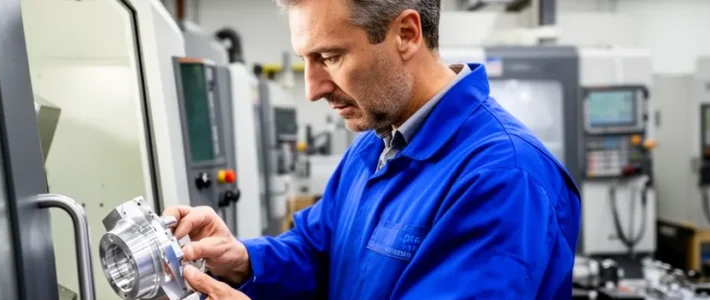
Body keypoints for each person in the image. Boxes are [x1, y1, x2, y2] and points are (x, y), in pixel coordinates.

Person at [168, 0, 582, 298]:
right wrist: (243, 260)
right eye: (306, 61)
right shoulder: (374, 147)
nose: (312, 89)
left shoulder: (503, 178)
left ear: (406, 34)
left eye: (329, 57)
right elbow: (318, 251)